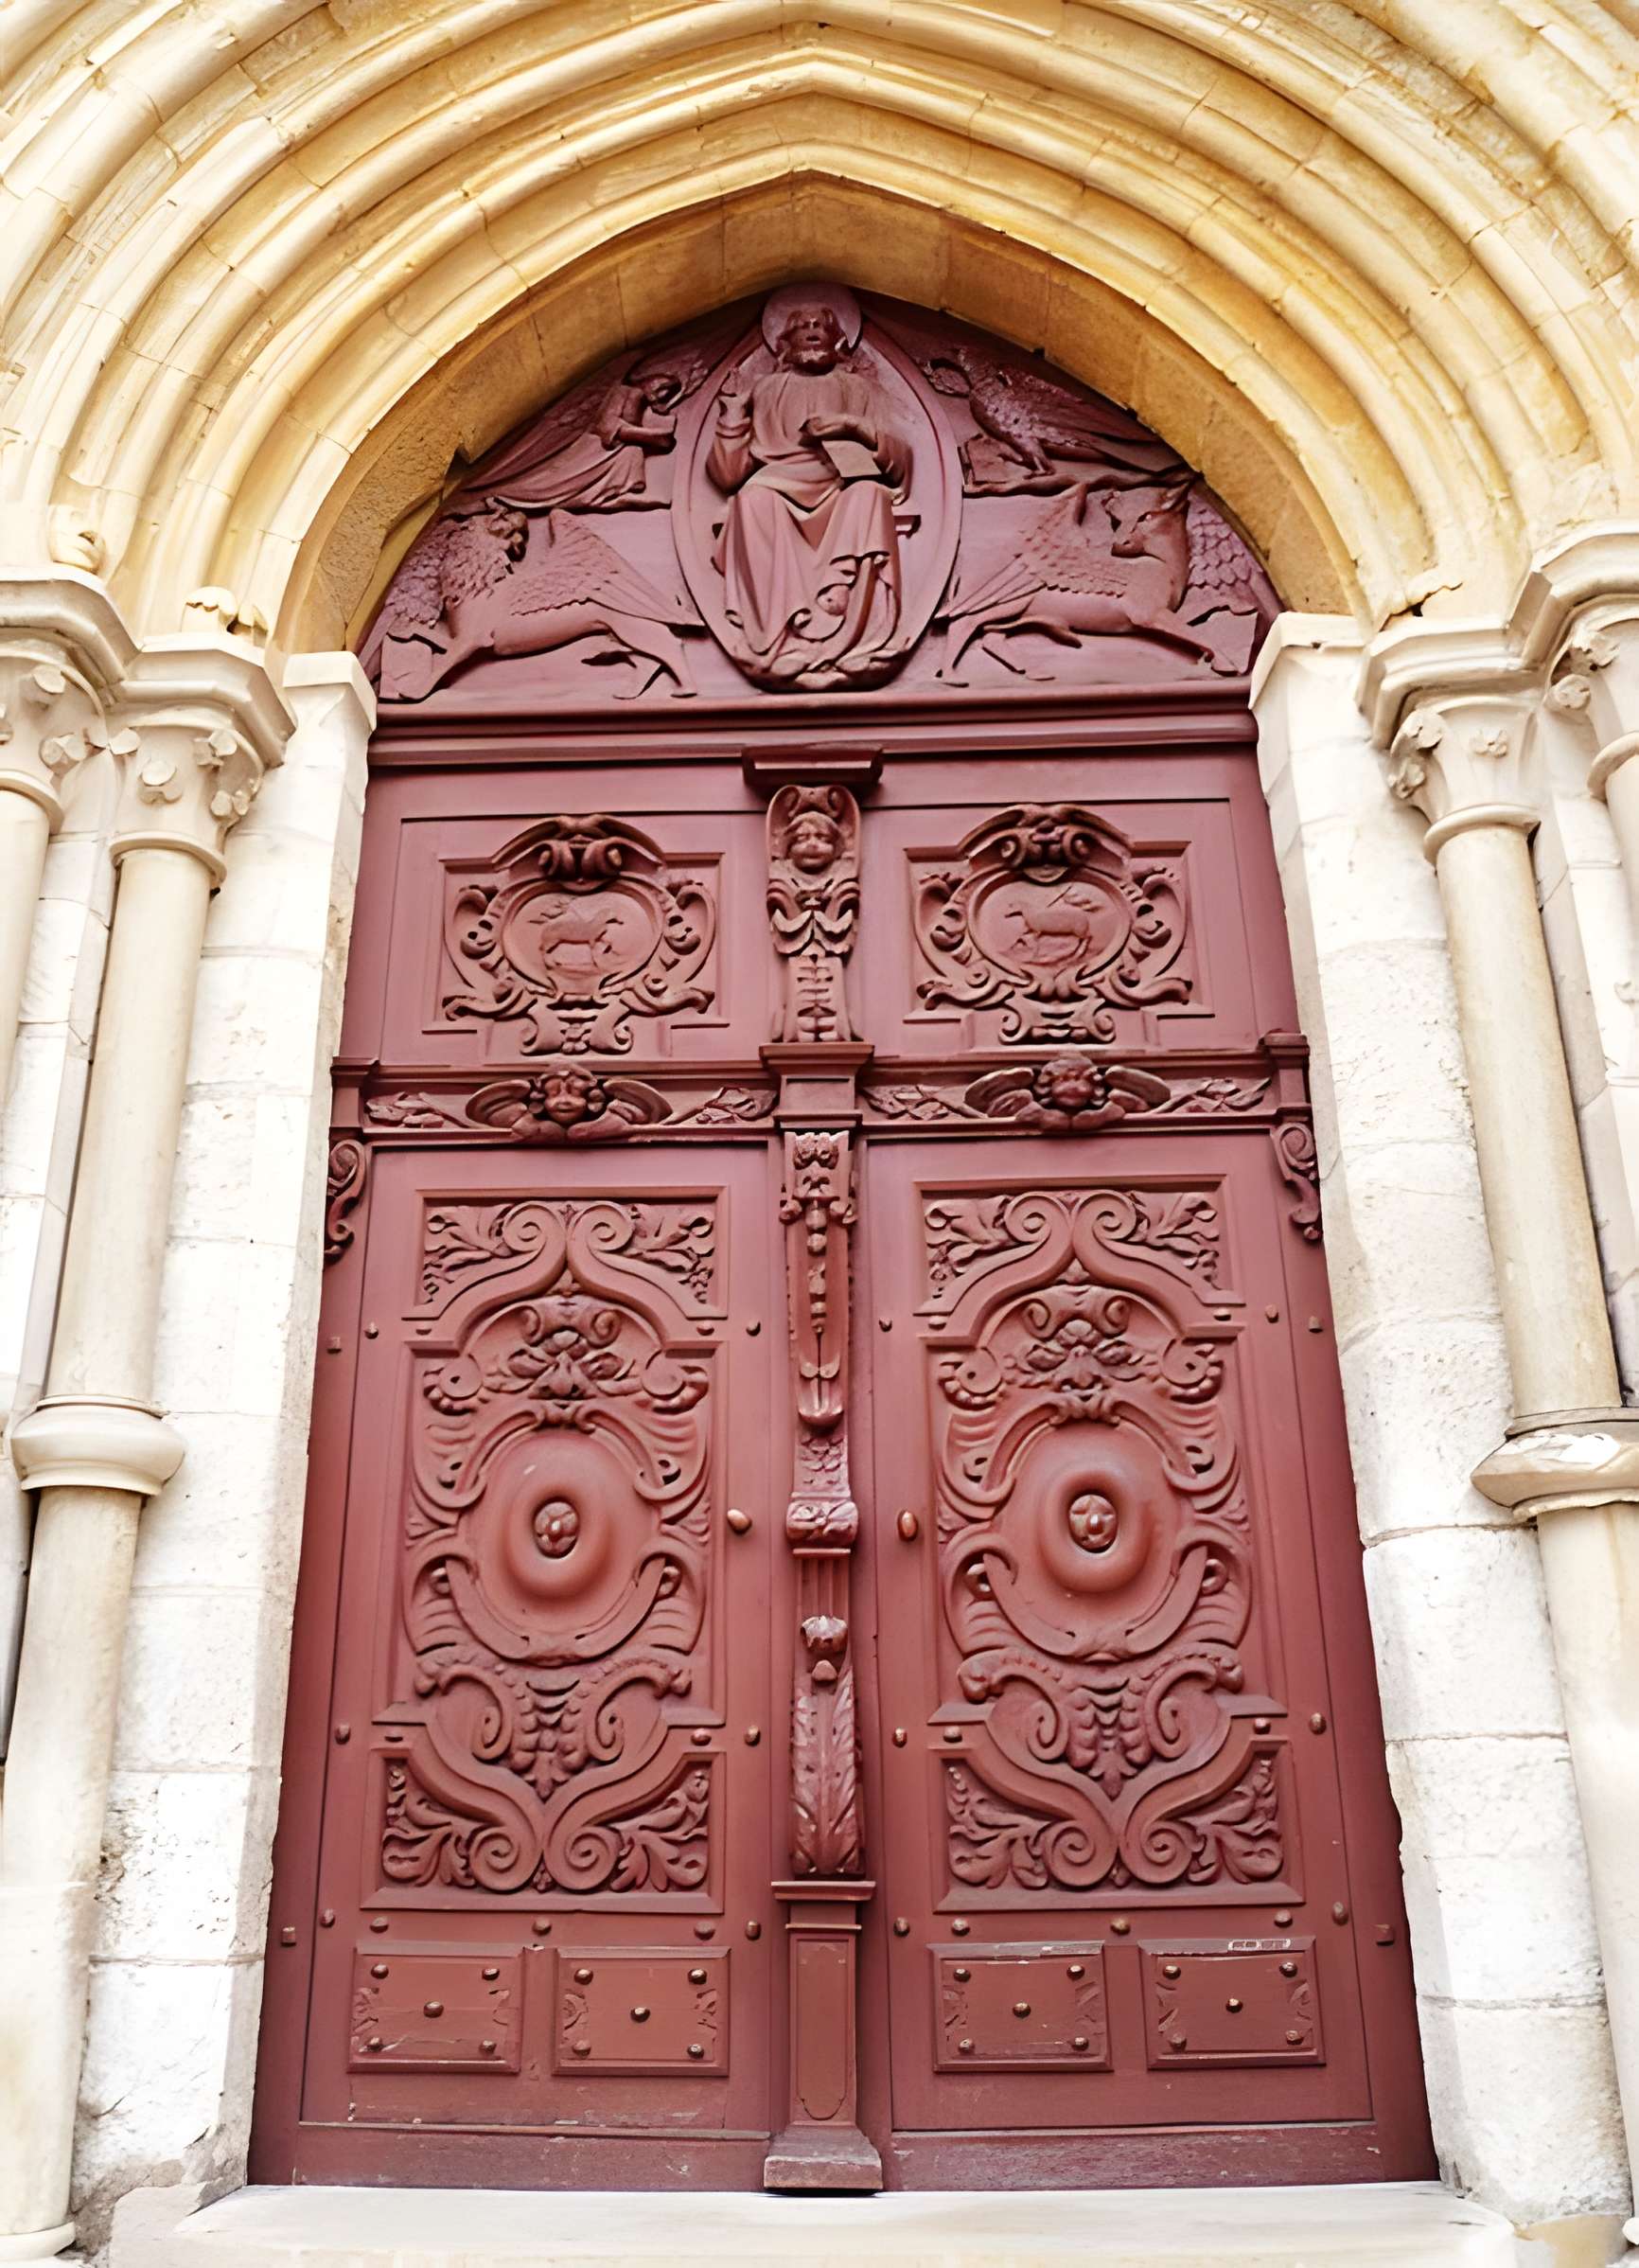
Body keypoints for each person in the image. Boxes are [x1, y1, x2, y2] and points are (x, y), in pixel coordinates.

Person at [707, 287, 910, 688]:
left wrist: (851, 426)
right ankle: (779, 633)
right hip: (778, 482)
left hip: (841, 481)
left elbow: (898, 463)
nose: (812, 331)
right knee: (751, 499)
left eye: (821, 326)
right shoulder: (766, 391)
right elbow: (730, 475)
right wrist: (733, 416)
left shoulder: (858, 389)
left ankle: (847, 606)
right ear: (785, 344)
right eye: (801, 327)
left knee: (869, 494)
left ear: (838, 342)